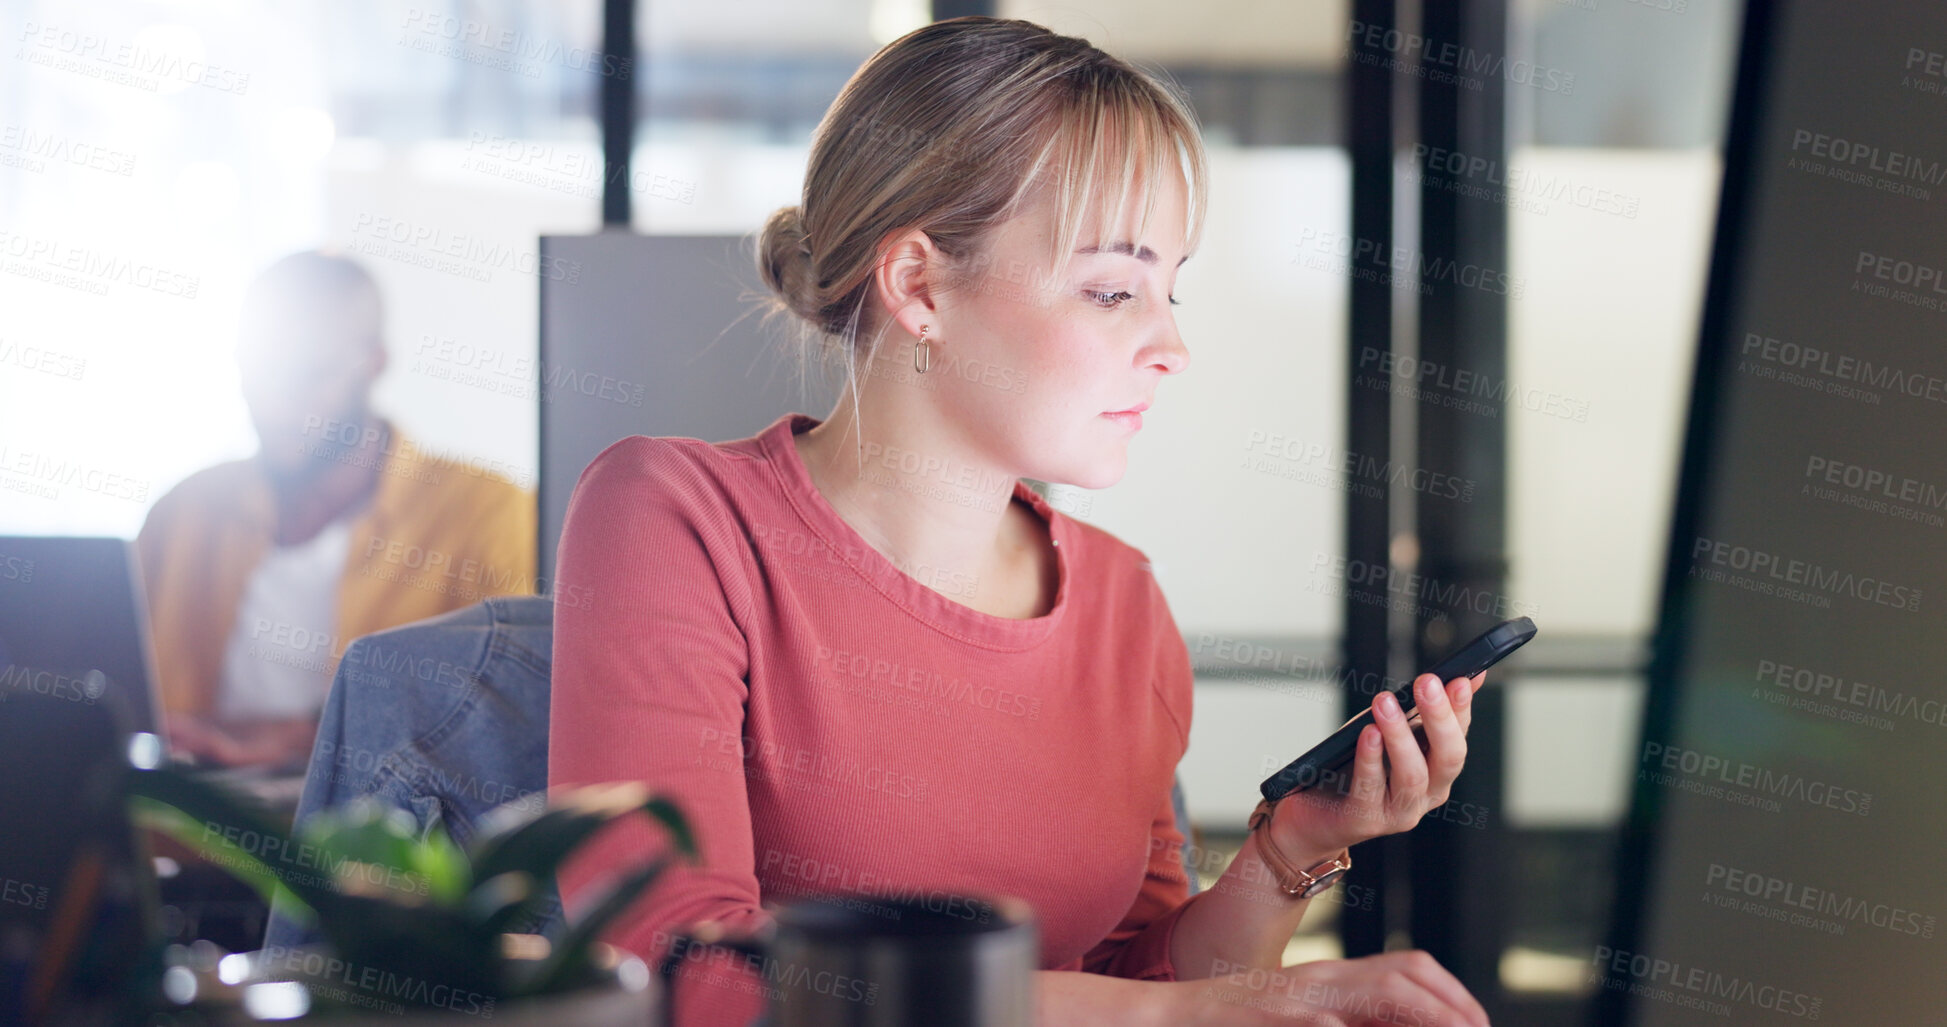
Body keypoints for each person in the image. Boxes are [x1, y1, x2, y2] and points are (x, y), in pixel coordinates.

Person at [550, 17, 1491, 1027]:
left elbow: (1132, 985)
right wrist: (1166, 1020)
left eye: (1170, 291)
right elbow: (677, 974)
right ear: (919, 284)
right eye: (1113, 289)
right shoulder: (674, 519)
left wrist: (1289, 850)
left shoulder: (1125, 603)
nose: (1171, 344)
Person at [137, 251, 536, 769]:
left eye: (307, 375)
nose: (275, 403)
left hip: (382, 845)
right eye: (258, 370)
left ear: (374, 363)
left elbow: (512, 713)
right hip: (181, 835)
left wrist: (303, 735)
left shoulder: (487, 514)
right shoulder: (184, 511)